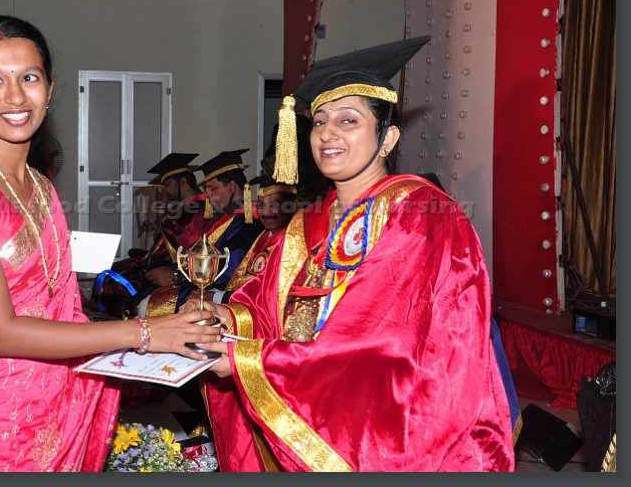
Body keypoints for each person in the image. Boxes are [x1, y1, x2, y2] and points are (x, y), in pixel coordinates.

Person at [0, 15, 219, 472]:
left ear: (50, 89)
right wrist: (144, 333)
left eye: (29, 78)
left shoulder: (38, 184)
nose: (15, 97)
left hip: (49, 401)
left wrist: (159, 329)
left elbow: (59, 299)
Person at [190, 36, 516, 471]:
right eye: (320, 121)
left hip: (387, 426)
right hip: (303, 408)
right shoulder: (309, 221)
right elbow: (266, 304)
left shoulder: (419, 215)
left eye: (348, 120)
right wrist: (223, 319)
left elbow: (381, 345)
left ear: (388, 137)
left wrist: (247, 360)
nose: (327, 133)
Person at [139, 149, 264, 316]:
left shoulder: (248, 222)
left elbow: (228, 271)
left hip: (228, 296)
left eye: (213, 189)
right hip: (204, 285)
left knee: (148, 305)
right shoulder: (228, 217)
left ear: (232, 187)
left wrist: (177, 278)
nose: (207, 195)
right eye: (206, 189)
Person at [93, 153, 209, 317]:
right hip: (159, 262)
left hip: (174, 269)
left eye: (167, 184)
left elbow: (183, 246)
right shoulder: (184, 207)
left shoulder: (196, 209)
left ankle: (122, 325)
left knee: (115, 285)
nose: (164, 190)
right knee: (111, 271)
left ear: (183, 182)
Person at [203, 175, 298, 304]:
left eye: (273, 205)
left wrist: (216, 297)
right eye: (261, 204)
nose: (265, 212)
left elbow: (270, 296)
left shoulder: (293, 243)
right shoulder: (263, 236)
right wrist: (212, 293)